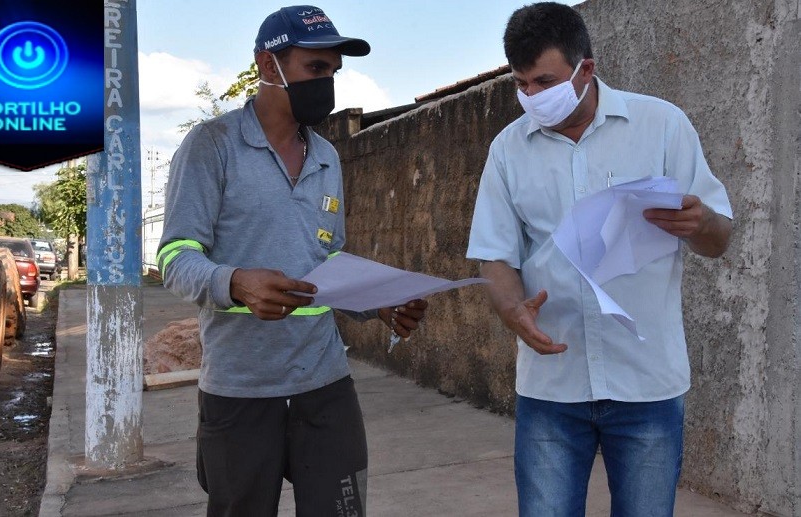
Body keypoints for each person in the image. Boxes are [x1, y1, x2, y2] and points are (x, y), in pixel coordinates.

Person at [156, 6, 428, 516]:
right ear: (267, 65)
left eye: (333, 73)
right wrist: (234, 282)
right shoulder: (212, 146)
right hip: (241, 389)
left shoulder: (327, 156)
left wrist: (379, 305)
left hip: (325, 384)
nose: (327, 85)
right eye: (316, 70)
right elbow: (174, 256)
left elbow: (327, 262)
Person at [466, 3, 733, 516]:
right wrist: (510, 309)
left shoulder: (662, 126)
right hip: (552, 388)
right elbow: (495, 256)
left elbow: (719, 237)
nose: (532, 97)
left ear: (586, 68)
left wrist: (701, 224)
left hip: (646, 384)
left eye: (545, 82)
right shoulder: (507, 151)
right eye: (521, 85)